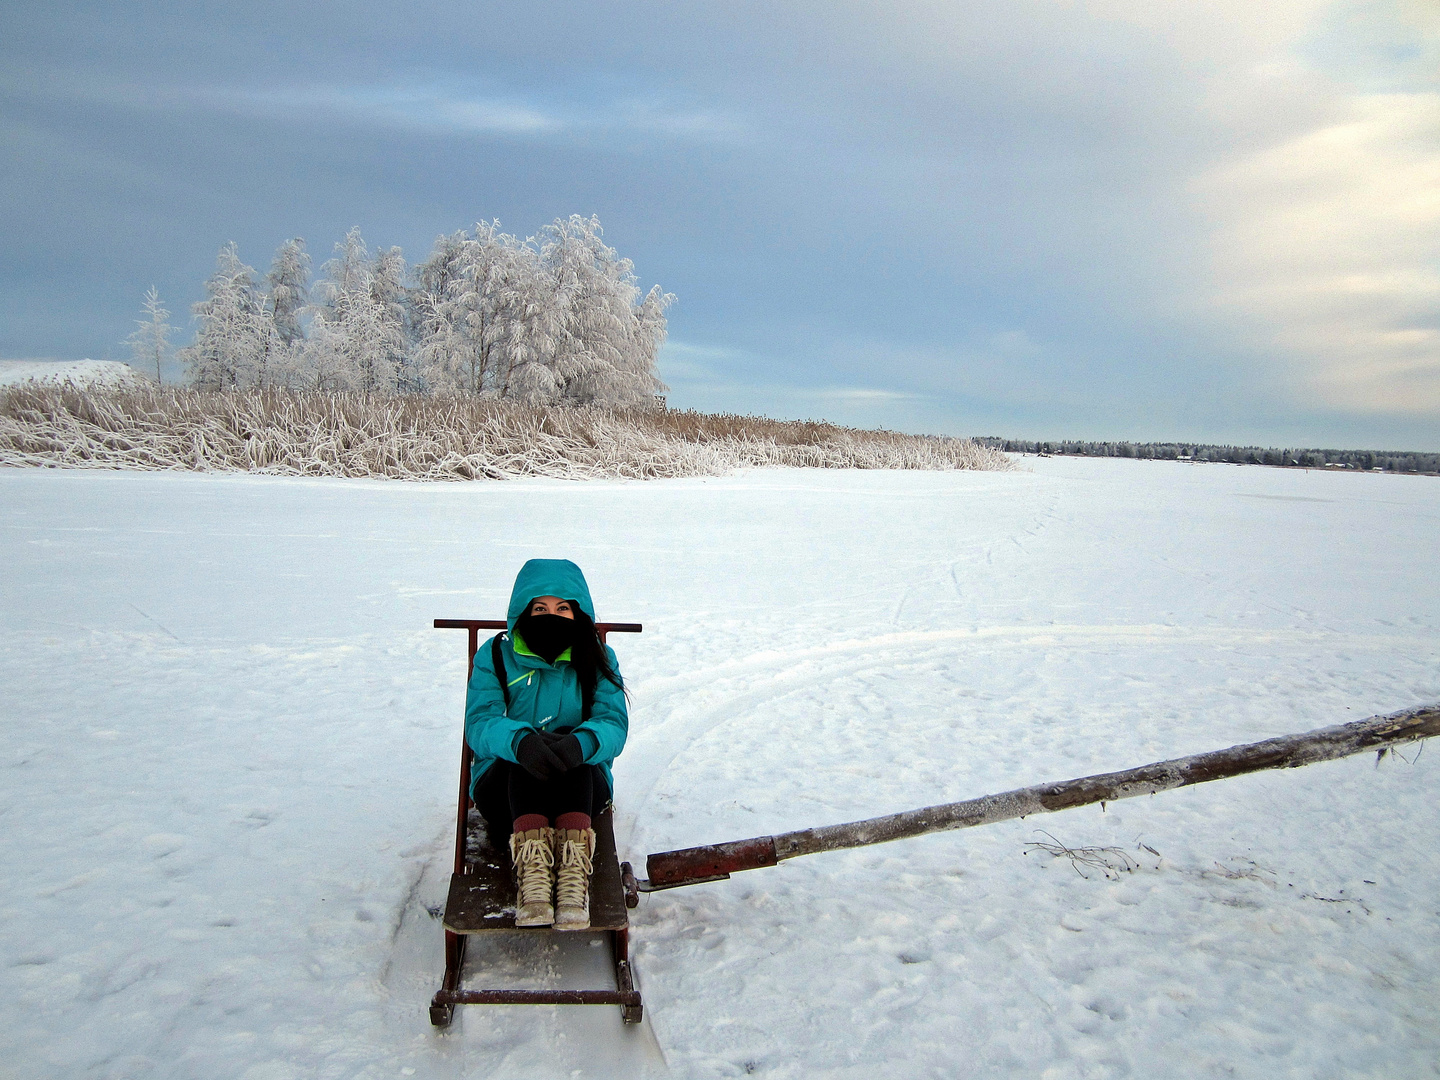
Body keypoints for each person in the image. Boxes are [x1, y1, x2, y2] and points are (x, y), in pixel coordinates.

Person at [465, 559, 628, 930]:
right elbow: (479, 722)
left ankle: (573, 880)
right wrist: (520, 742)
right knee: (528, 751)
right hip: (505, 789)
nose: (550, 616)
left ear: (578, 612)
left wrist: (580, 745)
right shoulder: (495, 656)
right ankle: (534, 882)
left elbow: (613, 724)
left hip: (583, 787)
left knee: (571, 748)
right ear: (523, 610)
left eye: (562, 608)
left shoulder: (598, 657)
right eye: (539, 608)